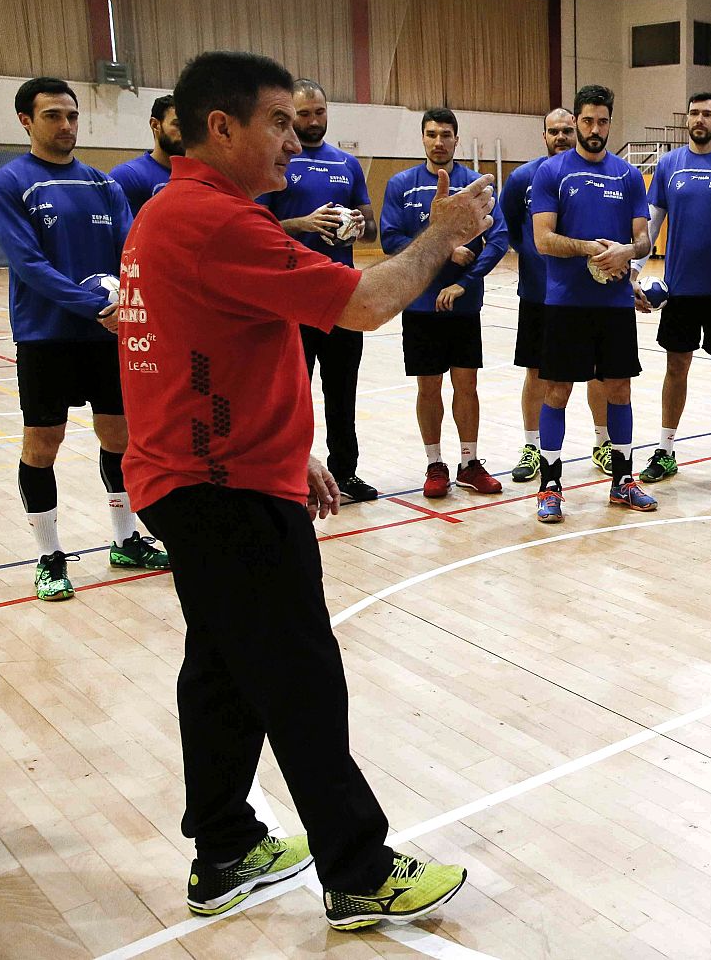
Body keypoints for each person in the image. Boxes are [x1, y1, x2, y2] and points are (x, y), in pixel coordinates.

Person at [119, 50, 481, 929]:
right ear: (221, 128)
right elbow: (364, 302)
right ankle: (357, 869)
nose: (294, 139)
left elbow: (216, 348)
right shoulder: (213, 220)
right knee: (300, 676)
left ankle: (224, 847)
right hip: (223, 490)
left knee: (223, 671)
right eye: (277, 122)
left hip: (204, 475)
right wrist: (440, 234)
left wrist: (292, 450)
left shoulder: (181, 213)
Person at [0, 76, 168, 602]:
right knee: (43, 444)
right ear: (26, 121)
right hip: (47, 336)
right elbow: (28, 264)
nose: (66, 125)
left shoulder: (102, 184)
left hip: (108, 334)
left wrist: (127, 303)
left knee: (120, 437)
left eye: (72, 115)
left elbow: (132, 251)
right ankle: (48, 556)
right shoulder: (10, 183)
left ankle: (125, 540)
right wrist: (97, 307)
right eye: (53, 116)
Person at [530, 83, 657, 522]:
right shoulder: (552, 173)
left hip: (615, 305)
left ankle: (623, 480)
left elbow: (644, 240)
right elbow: (543, 238)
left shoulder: (628, 175)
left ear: (610, 122)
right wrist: (590, 249)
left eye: (603, 121)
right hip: (566, 304)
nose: (595, 129)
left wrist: (627, 251)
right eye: (587, 121)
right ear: (576, 121)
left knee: (619, 389)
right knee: (557, 391)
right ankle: (549, 485)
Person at [262, 78, 379, 502]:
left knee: (342, 390)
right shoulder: (276, 161)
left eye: (319, 113)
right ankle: (291, 474)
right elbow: (255, 227)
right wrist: (304, 223)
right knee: (292, 395)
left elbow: (372, 229)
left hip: (341, 297)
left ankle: (344, 474)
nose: (313, 122)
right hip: (292, 299)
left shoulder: (347, 164)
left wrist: (358, 224)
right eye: (304, 114)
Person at [381, 108, 507, 499]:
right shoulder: (401, 184)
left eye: (446, 134)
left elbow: (499, 239)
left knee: (466, 384)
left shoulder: (475, 186)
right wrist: (443, 251)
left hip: (463, 306)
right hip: (419, 304)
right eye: (432, 134)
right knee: (429, 386)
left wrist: (465, 283)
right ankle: (434, 463)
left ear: (456, 139)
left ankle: (469, 464)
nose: (439, 141)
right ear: (422, 138)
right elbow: (390, 239)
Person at [634, 92, 711, 486]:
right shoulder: (669, 165)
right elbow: (650, 226)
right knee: (676, 368)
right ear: (687, 119)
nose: (699, 119)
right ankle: (665, 451)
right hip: (679, 291)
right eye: (694, 113)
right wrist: (634, 271)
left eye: (707, 114)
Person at [501, 109, 611, 482]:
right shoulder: (522, 178)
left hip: (588, 293)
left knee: (597, 371)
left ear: (577, 130)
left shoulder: (594, 175)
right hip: (538, 294)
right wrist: (533, 253)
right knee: (537, 372)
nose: (561, 137)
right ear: (544, 135)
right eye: (554, 131)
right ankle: (532, 447)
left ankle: (603, 442)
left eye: (567, 130)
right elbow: (510, 226)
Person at [110, 94, 181, 212]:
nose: (185, 132)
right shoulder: (128, 176)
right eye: (177, 125)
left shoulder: (199, 175)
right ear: (155, 125)